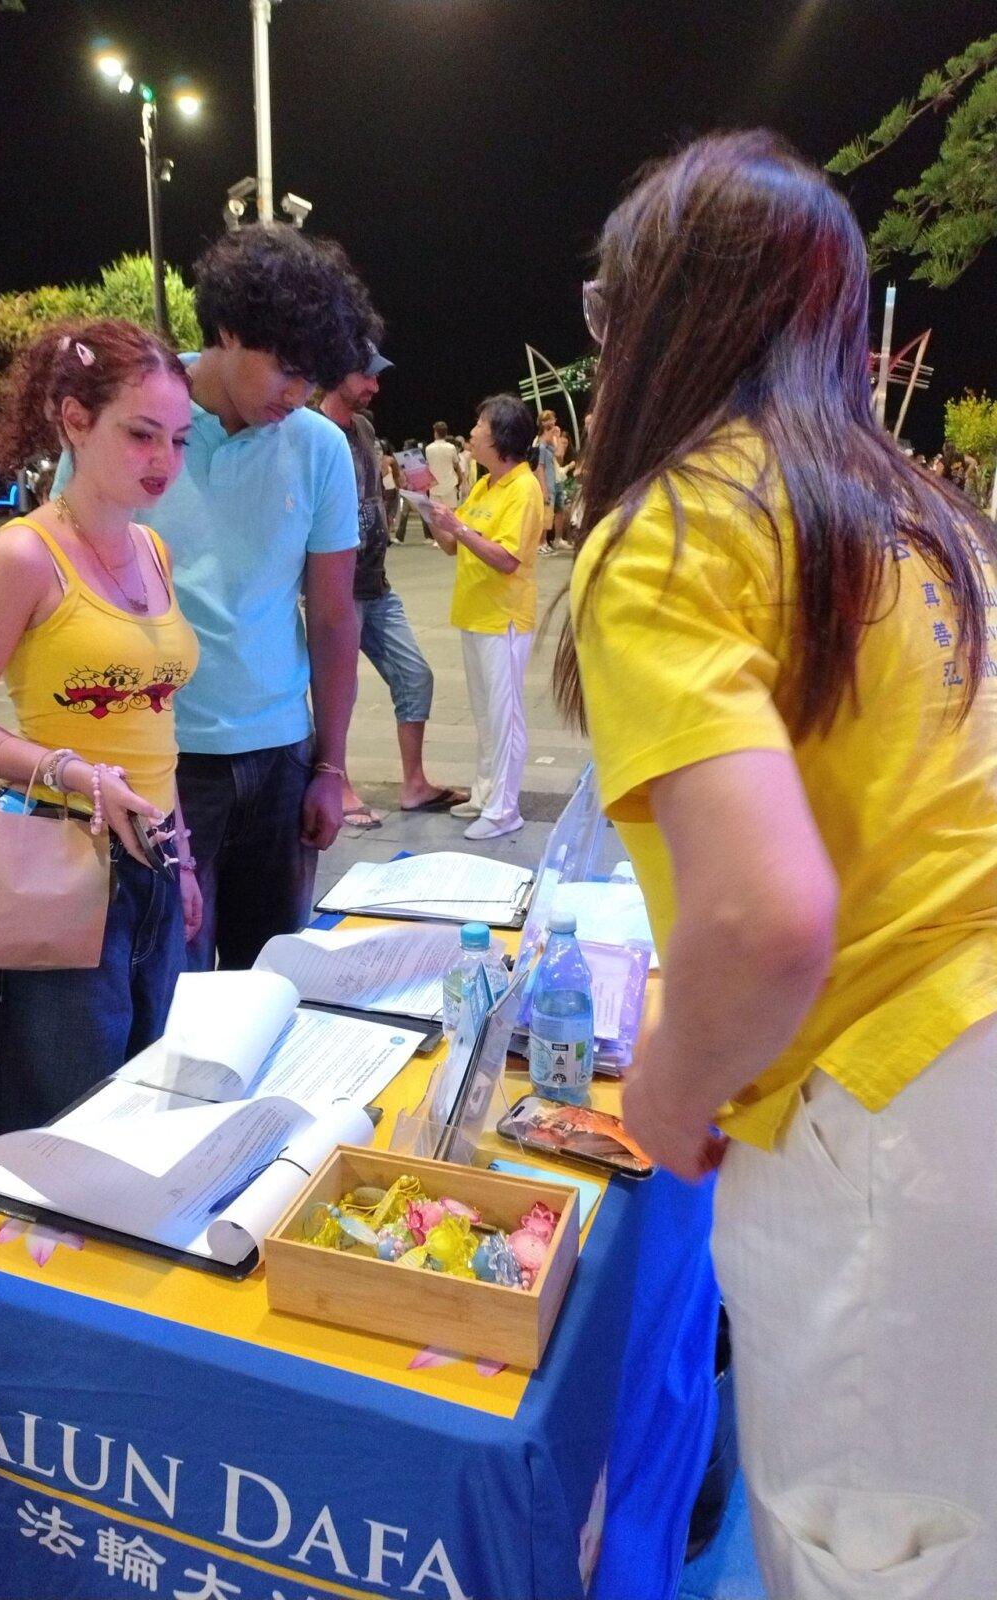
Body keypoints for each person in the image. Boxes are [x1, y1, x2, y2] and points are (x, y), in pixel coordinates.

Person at [555, 131, 997, 1600]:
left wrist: (669, 1096)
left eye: (607, 313)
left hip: (896, 1113)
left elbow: (761, 914)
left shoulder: (678, 521)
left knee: (871, 1558)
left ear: (661, 317)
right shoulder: (928, 520)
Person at [55, 225, 377, 972]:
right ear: (228, 329)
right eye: (286, 369)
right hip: (161, 764)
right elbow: (66, 594)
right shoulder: (137, 421)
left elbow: (332, 617)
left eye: (314, 379)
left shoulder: (318, 446)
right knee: (169, 988)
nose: (297, 395)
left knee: (269, 982)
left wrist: (330, 768)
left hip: (280, 759)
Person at [0, 319, 201, 1139]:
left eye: (179, 440)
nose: (164, 461)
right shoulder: (25, 556)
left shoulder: (153, 550)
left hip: (150, 857)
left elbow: (158, 722)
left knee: (148, 1097)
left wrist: (179, 856)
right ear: (75, 419)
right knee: (62, 1122)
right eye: (141, 434)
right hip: (59, 862)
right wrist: (75, 774)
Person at [319, 348, 465, 824]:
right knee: (336, 692)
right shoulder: (313, 433)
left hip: (377, 584)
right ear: (338, 372)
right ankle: (335, 785)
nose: (375, 387)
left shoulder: (362, 429)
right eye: (367, 376)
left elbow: (375, 492)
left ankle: (415, 784)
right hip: (337, 589)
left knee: (415, 675)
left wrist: (415, 493)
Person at [425, 394, 541, 839]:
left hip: (503, 619)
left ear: (501, 437)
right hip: (474, 614)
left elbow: (508, 558)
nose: (472, 432)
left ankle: (505, 809)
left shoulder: (524, 489)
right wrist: (439, 521)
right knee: (484, 714)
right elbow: (455, 545)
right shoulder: (484, 484)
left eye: (479, 425)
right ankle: (485, 793)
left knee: (504, 714)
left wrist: (461, 529)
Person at [532, 410, 559, 552]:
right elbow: (539, 467)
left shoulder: (549, 443)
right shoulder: (540, 444)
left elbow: (559, 454)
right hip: (545, 482)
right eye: (548, 420)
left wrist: (557, 436)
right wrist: (543, 488)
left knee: (549, 513)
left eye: (553, 419)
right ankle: (539, 542)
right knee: (543, 513)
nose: (552, 422)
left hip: (551, 479)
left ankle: (544, 542)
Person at [425, 420, 462, 510]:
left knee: (436, 517)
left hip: (434, 487)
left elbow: (427, 468)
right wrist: (460, 481)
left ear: (435, 433)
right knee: (450, 516)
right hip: (449, 485)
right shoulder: (451, 447)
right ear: (446, 433)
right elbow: (457, 466)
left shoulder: (428, 448)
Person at [378, 438, 401, 536]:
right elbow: (396, 474)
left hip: (380, 488)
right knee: (390, 512)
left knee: (384, 512)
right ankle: (386, 534)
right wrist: (398, 486)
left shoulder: (375, 459)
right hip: (391, 488)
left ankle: (385, 534)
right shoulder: (390, 459)